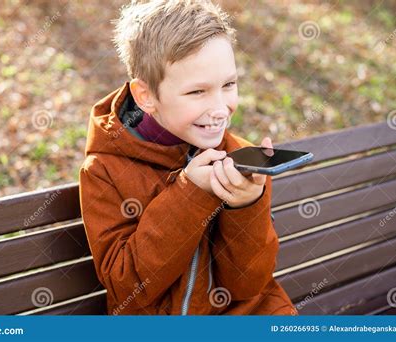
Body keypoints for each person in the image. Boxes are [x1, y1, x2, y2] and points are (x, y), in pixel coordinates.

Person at [79, 0, 296, 315]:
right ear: (147, 96)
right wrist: (190, 194)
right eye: (198, 92)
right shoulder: (105, 171)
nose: (221, 108)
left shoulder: (238, 158)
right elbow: (129, 288)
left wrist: (247, 206)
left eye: (229, 85)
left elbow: (248, 285)